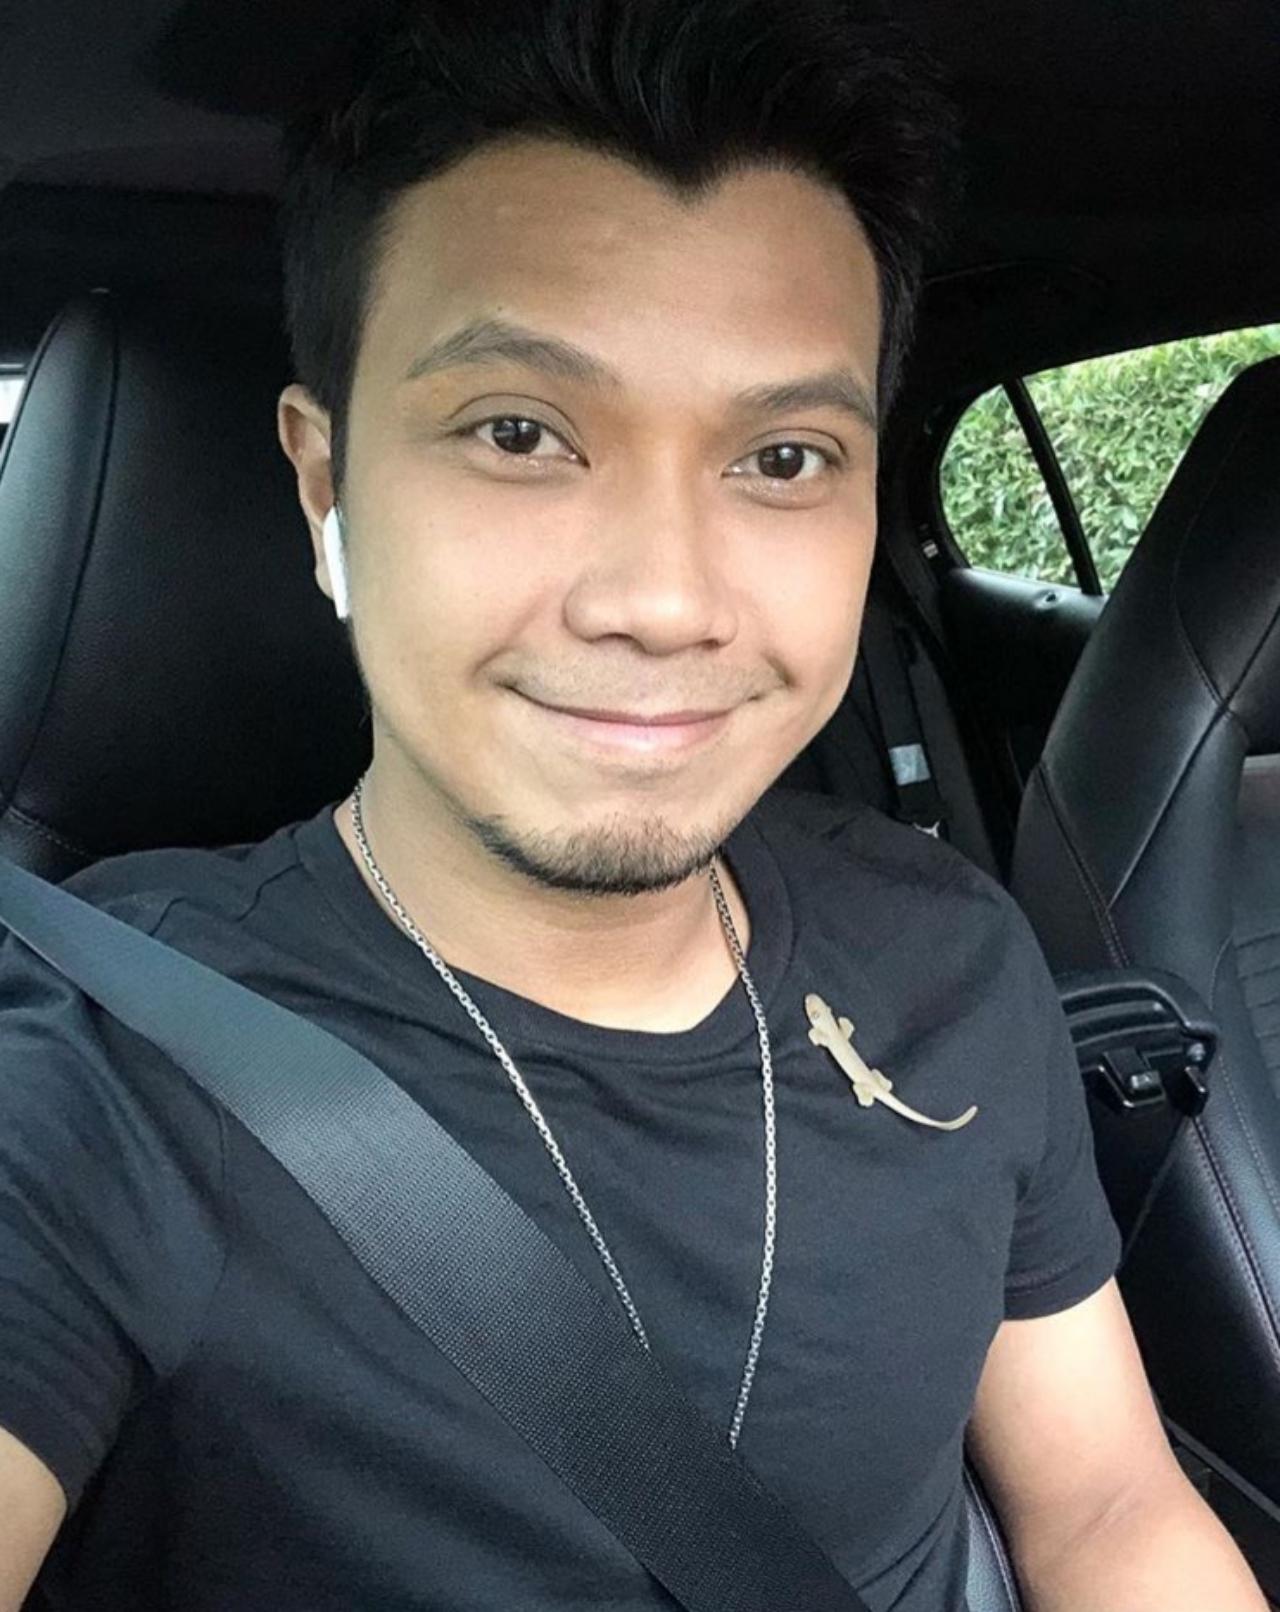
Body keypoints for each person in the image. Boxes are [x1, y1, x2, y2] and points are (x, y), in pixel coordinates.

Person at [0, 2, 1267, 1608]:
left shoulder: (950, 958)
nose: (665, 602)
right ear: (326, 489)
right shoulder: (92, 1066)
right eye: (520, 433)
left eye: (785, 458)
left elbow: (1106, 1511)